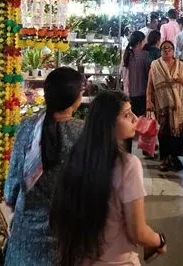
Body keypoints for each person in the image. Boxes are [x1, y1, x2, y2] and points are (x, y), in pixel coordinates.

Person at [50, 90, 167, 266]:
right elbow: (138, 231)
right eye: (127, 115)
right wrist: (159, 240)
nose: (135, 119)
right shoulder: (128, 165)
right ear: (108, 123)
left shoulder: (78, 156)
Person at [4, 67, 83, 266]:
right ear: (75, 98)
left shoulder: (27, 126)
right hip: (66, 232)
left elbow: (13, 183)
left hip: (25, 233)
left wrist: (13, 200)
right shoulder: (83, 133)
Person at [146, 40, 183, 172]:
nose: (167, 50)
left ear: (173, 50)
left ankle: (175, 157)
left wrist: (178, 80)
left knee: (178, 132)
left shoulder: (181, 65)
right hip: (163, 103)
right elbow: (150, 85)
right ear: (160, 51)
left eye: (170, 48)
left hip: (179, 105)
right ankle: (165, 158)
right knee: (164, 131)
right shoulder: (155, 65)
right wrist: (149, 100)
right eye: (164, 48)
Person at [123, 31, 150, 153]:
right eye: (144, 40)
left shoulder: (127, 54)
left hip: (129, 93)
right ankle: (145, 148)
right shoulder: (145, 55)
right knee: (143, 122)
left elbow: (124, 74)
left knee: (130, 122)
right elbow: (149, 75)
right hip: (142, 92)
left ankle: (127, 150)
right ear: (140, 42)